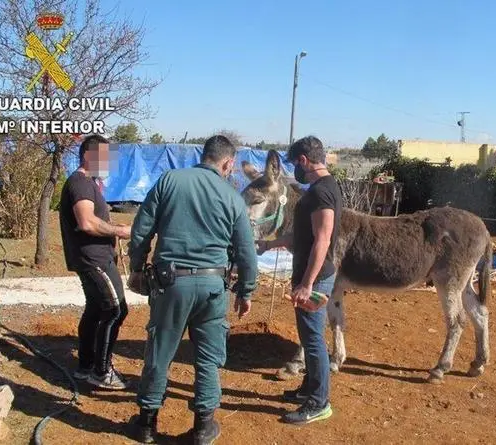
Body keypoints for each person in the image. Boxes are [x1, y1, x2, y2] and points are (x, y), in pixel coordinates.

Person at [126, 135, 258, 445]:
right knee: (208, 358)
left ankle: (146, 424)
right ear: (228, 163)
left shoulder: (170, 180)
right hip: (213, 288)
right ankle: (202, 428)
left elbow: (141, 230)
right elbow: (246, 252)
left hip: (170, 284)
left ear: (205, 155)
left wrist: (135, 268)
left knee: (160, 352)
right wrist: (246, 290)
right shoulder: (232, 196)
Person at [257, 135, 343, 425]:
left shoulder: (321, 192)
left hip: (315, 278)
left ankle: (319, 403)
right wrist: (270, 245)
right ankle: (308, 389)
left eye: (295, 163)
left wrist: (307, 284)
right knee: (308, 335)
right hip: (310, 274)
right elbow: (303, 236)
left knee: (314, 340)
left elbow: (322, 240)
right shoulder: (320, 189)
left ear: (304, 161)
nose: (294, 169)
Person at [58, 134, 131, 390]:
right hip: (93, 259)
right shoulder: (81, 183)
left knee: (95, 309)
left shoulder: (90, 183)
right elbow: (86, 222)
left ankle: (86, 365)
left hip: (95, 258)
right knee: (115, 310)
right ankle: (101, 371)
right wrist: (119, 231)